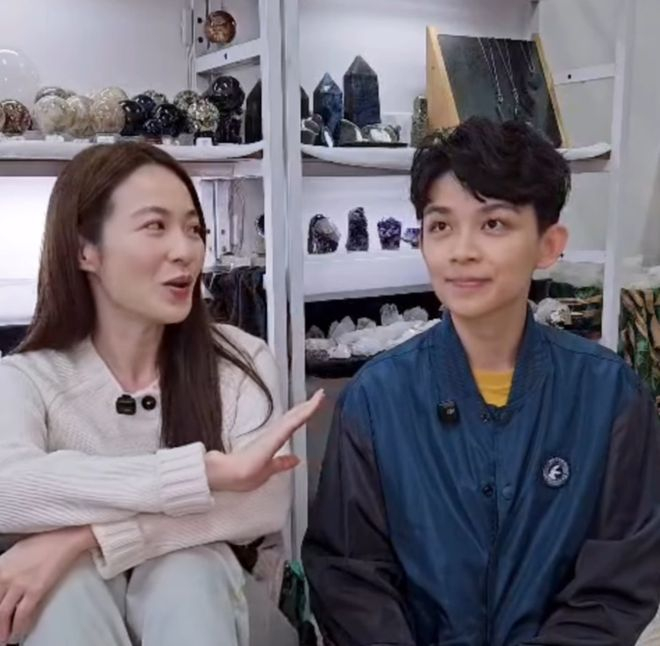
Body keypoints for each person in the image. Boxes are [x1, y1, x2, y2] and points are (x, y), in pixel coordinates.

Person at [302, 117, 660, 645]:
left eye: (493, 224)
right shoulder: (376, 400)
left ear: (549, 245)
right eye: (441, 226)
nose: (461, 251)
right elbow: (350, 577)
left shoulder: (610, 398)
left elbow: (616, 585)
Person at [0, 142, 323, 646]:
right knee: (64, 588)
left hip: (223, 606)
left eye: (194, 229)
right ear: (85, 250)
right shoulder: (27, 377)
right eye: (156, 226)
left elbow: (258, 506)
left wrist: (85, 537)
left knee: (185, 568)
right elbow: (9, 490)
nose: (186, 250)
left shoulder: (240, 360)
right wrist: (202, 475)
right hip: (75, 610)